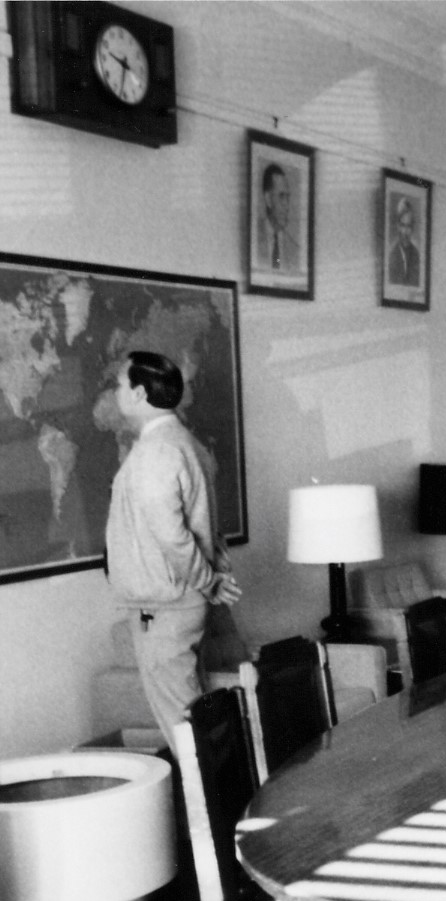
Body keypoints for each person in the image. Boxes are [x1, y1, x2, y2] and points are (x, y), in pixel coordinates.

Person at [103, 351, 241, 749]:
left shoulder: (156, 451)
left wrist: (209, 581)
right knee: (194, 715)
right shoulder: (185, 442)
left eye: (120, 384)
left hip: (164, 606)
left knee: (184, 726)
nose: (116, 392)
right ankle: (222, 788)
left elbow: (173, 535)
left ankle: (215, 792)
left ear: (139, 393)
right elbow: (205, 525)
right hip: (177, 602)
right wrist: (212, 578)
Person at [256, 162, 298, 274]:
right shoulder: (254, 238)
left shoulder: (294, 249)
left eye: (288, 198)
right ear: (268, 199)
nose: (287, 206)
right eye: (281, 196)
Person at [387, 196, 421, 288]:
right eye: (402, 225)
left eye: (408, 226)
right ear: (398, 226)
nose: (405, 232)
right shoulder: (392, 256)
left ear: (412, 228)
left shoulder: (417, 255)